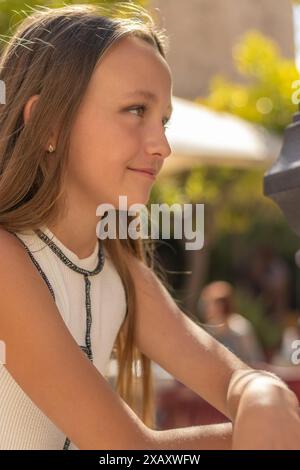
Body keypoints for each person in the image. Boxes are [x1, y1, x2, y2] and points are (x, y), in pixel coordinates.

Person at [0, 2, 299, 451]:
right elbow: (126, 452)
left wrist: (263, 393)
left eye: (163, 120)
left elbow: (236, 381)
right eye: (136, 110)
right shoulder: (6, 263)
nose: (162, 145)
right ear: (51, 125)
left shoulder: (117, 268)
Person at [199, 281, 265, 365]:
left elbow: (254, 360)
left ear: (221, 306)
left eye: (208, 303)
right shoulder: (209, 329)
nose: (204, 307)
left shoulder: (240, 328)